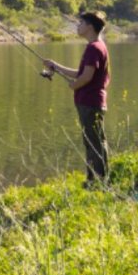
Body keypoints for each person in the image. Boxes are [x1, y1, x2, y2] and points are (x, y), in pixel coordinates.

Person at [42, 11, 111, 186]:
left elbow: (86, 77)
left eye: (80, 23)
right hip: (91, 101)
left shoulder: (94, 48)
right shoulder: (98, 46)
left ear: (89, 27)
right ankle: (95, 179)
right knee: (93, 141)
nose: (77, 26)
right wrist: (55, 67)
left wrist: (74, 85)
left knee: (94, 142)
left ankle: (98, 181)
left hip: (90, 101)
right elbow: (81, 73)